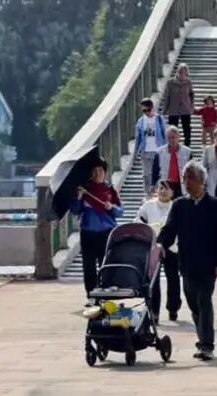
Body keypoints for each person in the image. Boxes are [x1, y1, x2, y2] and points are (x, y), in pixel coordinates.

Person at [157, 160, 217, 362]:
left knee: (204, 301)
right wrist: (159, 244)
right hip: (187, 264)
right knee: (193, 304)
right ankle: (202, 340)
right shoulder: (180, 205)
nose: (184, 182)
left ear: (200, 180)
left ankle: (207, 345)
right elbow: (169, 230)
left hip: (208, 265)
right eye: (184, 178)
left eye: (188, 178)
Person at [70, 158, 124, 304]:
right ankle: (92, 295)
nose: (97, 173)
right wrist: (79, 197)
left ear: (105, 172)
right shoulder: (84, 189)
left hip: (106, 233)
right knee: (88, 266)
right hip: (88, 233)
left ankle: (105, 294)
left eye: (100, 170)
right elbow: (75, 210)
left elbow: (120, 211)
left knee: (105, 264)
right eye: (94, 171)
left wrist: (111, 207)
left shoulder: (110, 190)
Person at [138, 180, 180, 322]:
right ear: (156, 190)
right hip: (153, 247)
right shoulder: (148, 205)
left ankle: (173, 308)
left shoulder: (176, 206)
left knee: (173, 279)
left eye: (167, 189)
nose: (163, 191)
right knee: (153, 280)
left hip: (172, 248)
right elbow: (139, 220)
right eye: (161, 188)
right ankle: (154, 312)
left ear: (172, 192)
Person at [134, 98, 166, 194]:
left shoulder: (159, 119)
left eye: (148, 110)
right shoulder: (141, 121)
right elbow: (138, 138)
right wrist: (136, 153)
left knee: (157, 174)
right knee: (146, 175)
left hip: (158, 151)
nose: (146, 113)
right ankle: (148, 195)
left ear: (152, 108)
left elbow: (165, 134)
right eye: (144, 111)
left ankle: (157, 193)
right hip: (145, 151)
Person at [162, 65, 196, 147]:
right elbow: (167, 96)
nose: (182, 75)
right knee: (172, 128)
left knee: (186, 128)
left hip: (185, 108)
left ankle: (187, 145)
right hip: (174, 108)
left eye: (185, 73)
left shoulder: (188, 82)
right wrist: (165, 109)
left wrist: (191, 106)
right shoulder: (170, 82)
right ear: (178, 72)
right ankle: (172, 145)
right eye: (181, 73)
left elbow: (191, 94)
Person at [156, 126, 193, 199]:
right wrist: (153, 185)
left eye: (173, 137)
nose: (171, 140)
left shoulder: (187, 152)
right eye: (169, 138)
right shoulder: (159, 152)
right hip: (165, 184)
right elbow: (155, 171)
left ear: (178, 137)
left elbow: (192, 171)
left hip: (181, 185)